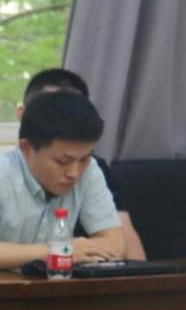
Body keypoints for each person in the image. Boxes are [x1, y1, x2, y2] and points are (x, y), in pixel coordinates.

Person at [0, 90, 124, 269]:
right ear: (26, 148)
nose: (74, 173)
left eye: (84, 159)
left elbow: (115, 244)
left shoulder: (89, 170)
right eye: (63, 161)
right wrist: (53, 252)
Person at [18, 68, 146, 260]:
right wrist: (58, 251)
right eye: (63, 161)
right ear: (23, 115)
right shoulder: (0, 172)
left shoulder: (93, 169)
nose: (74, 172)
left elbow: (130, 252)